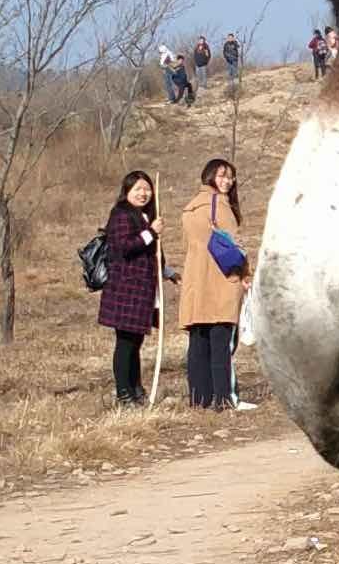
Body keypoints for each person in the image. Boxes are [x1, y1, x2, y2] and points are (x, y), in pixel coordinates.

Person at [176, 157, 254, 411]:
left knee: (199, 343)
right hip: (222, 279)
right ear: (209, 175)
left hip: (196, 281)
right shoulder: (220, 205)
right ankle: (225, 398)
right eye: (222, 175)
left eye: (230, 177)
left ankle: (200, 399)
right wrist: (246, 274)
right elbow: (235, 246)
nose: (227, 181)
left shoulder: (190, 208)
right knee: (222, 343)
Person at [96, 170, 164, 404]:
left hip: (142, 291)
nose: (144, 193)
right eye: (138, 189)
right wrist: (151, 232)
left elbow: (152, 253)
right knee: (125, 343)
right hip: (126, 290)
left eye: (147, 189)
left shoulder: (144, 215)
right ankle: (124, 393)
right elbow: (125, 246)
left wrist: (167, 271)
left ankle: (136, 389)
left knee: (135, 343)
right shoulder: (121, 214)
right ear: (127, 192)